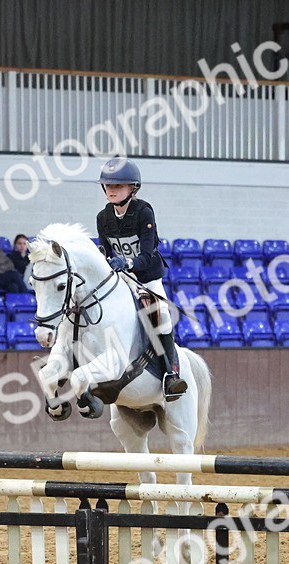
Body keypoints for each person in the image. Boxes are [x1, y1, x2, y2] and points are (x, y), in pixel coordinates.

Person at [95, 157, 187, 400]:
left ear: (132, 188)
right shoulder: (103, 218)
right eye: (109, 186)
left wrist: (126, 263)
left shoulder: (144, 211)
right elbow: (106, 251)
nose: (112, 190)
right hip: (122, 278)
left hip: (147, 277)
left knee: (162, 317)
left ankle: (171, 375)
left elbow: (147, 255)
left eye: (118, 186)